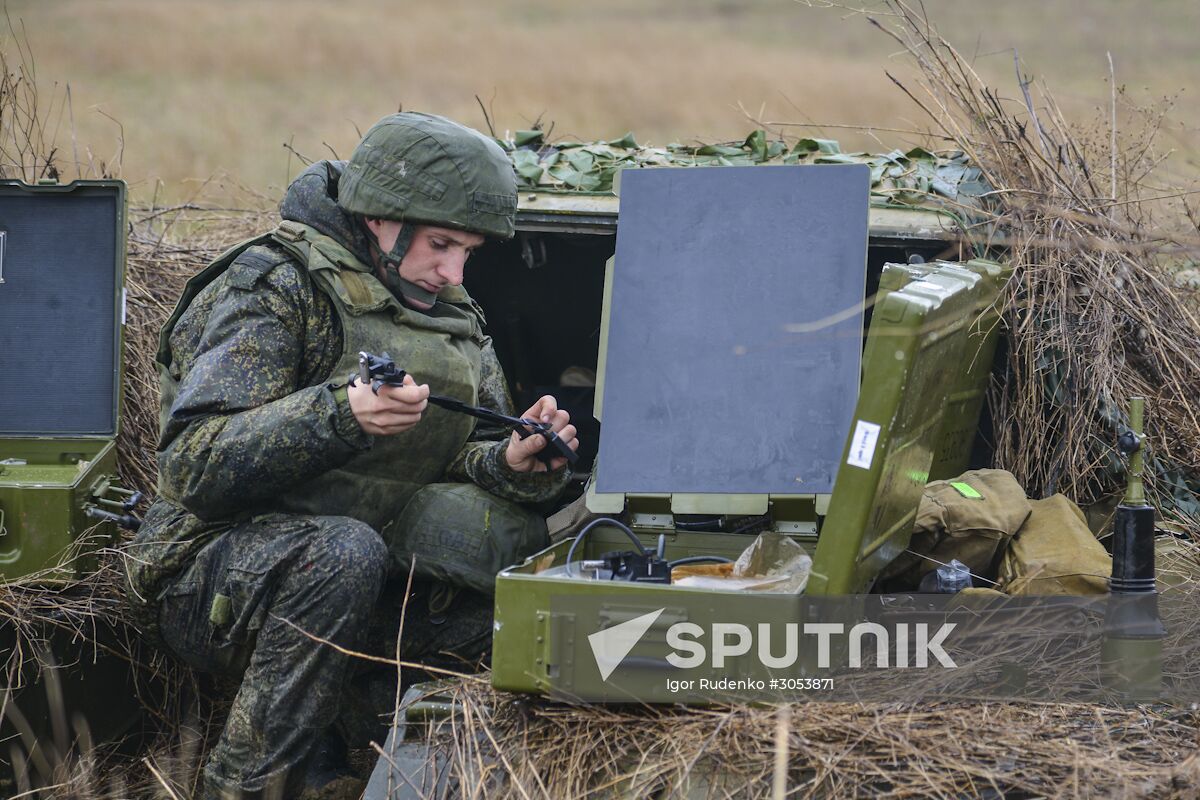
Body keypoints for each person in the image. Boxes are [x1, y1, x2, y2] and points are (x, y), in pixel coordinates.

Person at [124, 112, 578, 799]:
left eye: (470, 251)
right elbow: (191, 463)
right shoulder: (275, 284)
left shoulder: (449, 311)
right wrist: (339, 414)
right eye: (440, 243)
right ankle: (245, 785)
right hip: (208, 573)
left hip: (359, 574)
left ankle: (359, 765)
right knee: (342, 553)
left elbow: (459, 455)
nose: (453, 271)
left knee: (513, 629)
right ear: (378, 219)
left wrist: (510, 462)